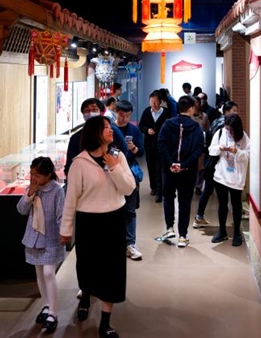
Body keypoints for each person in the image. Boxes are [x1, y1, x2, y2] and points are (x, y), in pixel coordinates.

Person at [59, 116, 135, 338]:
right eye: (105, 127)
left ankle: (105, 322)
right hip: (88, 222)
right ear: (95, 133)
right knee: (87, 266)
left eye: (110, 127)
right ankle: (85, 296)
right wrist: (66, 230)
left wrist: (114, 168)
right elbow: (70, 200)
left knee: (113, 270)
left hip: (114, 220)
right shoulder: (79, 163)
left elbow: (129, 188)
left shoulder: (117, 156)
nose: (111, 130)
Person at [17, 157, 65, 334]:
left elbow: (61, 213)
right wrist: (30, 193)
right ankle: (45, 306)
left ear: (48, 174)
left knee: (48, 272)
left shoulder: (57, 191)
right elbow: (21, 210)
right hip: (33, 237)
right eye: (31, 173)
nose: (33, 177)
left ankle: (53, 312)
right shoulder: (32, 189)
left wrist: (64, 233)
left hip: (52, 238)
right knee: (39, 272)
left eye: (37, 174)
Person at [157, 95, 204, 247]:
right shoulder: (196, 126)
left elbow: (161, 144)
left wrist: (171, 163)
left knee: (168, 198)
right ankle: (183, 236)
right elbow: (199, 149)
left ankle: (169, 228)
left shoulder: (167, 124)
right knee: (185, 202)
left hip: (168, 170)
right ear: (191, 109)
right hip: (188, 171)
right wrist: (183, 164)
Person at [194, 101, 238, 229]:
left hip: (212, 162)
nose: (236, 113)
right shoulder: (224, 126)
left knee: (208, 190)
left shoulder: (215, 121)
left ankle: (199, 216)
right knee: (218, 192)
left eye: (237, 110)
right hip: (218, 163)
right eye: (233, 110)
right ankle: (200, 217)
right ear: (226, 112)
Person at [208, 113, 250, 247]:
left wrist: (237, 151)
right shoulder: (220, 133)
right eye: (227, 129)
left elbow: (248, 155)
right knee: (222, 204)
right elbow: (211, 150)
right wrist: (219, 148)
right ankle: (222, 231)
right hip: (221, 175)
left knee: (236, 205)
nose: (228, 131)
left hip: (236, 177)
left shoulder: (243, 137)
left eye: (231, 129)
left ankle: (237, 233)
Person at [114, 99, 145, 261]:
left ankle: (130, 244)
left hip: (129, 175)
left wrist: (133, 147)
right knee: (112, 209)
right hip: (110, 175)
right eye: (121, 114)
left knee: (130, 210)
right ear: (115, 112)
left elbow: (141, 153)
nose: (124, 118)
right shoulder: (110, 129)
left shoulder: (134, 130)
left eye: (127, 115)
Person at [138, 91, 169, 202]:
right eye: (151, 101)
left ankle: (159, 192)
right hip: (149, 145)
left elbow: (169, 128)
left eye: (155, 102)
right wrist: (147, 130)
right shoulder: (147, 111)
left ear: (160, 102)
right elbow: (141, 125)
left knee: (160, 168)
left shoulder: (166, 112)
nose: (153, 104)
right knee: (151, 167)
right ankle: (153, 188)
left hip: (162, 145)